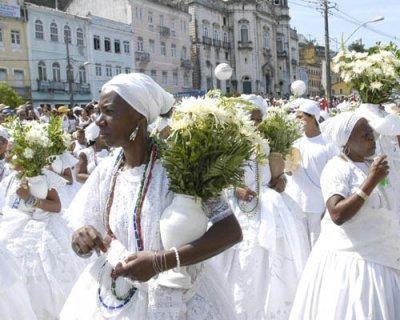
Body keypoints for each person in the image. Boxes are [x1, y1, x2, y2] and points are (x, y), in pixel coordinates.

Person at [60, 73, 241, 319]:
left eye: (109, 112)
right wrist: (81, 239)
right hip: (115, 295)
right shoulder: (107, 169)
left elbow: (230, 230)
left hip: (178, 300)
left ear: (139, 118)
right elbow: (87, 229)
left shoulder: (183, 165)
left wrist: (161, 262)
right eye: (98, 112)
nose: (99, 121)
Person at [290, 112, 400, 320]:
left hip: (381, 256)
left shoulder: (370, 164)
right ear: (347, 141)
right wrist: (371, 181)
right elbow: (337, 213)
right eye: (364, 135)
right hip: (355, 264)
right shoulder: (337, 167)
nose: (371, 138)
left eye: (371, 133)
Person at [214, 103, 309, 320]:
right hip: (239, 212)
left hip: (270, 208)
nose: (255, 123)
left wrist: (281, 180)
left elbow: (274, 173)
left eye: (258, 119)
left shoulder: (266, 144)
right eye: (251, 118)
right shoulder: (228, 144)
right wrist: (234, 190)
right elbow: (216, 180)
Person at [0, 167, 85, 319]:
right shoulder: (10, 178)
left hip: (43, 228)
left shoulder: (43, 175)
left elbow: (57, 206)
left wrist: (30, 199)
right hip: (13, 229)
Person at [286, 100, 338, 246]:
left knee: (317, 244)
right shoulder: (295, 142)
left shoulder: (328, 144)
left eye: (300, 117)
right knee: (299, 244)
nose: (298, 121)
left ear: (312, 117)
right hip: (296, 202)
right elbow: (289, 172)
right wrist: (288, 165)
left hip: (318, 204)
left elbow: (334, 175)